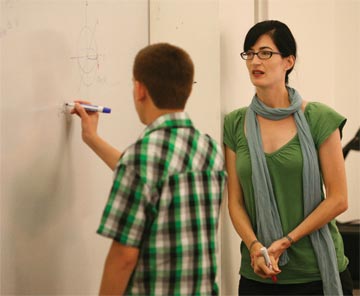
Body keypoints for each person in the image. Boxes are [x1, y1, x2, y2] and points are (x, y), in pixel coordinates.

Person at [71, 43, 227, 295]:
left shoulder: (141, 159)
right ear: (187, 90)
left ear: (139, 89)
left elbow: (123, 256)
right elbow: (155, 175)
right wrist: (93, 139)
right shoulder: (210, 149)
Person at [223, 20, 353, 295]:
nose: (255, 61)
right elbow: (235, 201)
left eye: (266, 53)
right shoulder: (235, 123)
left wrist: (286, 241)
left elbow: (339, 199)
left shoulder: (318, 118)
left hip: (315, 271)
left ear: (288, 61)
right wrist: (255, 247)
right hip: (258, 273)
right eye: (250, 53)